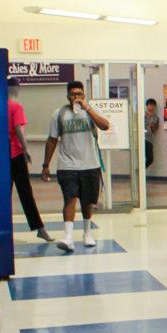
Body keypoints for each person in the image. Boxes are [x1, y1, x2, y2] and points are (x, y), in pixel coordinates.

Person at [42, 80, 111, 252]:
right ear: (67, 96)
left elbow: (105, 125)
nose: (76, 97)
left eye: (79, 94)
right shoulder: (59, 114)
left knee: (87, 201)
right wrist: (45, 165)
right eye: (73, 94)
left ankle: (87, 233)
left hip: (90, 164)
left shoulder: (91, 113)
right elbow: (52, 140)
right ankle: (68, 237)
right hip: (67, 165)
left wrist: (87, 108)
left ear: (84, 95)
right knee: (70, 199)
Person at [7, 77, 52, 242]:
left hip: (4, 155)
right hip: (16, 154)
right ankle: (39, 227)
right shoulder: (16, 107)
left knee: (5, 193)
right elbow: (18, 128)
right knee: (25, 192)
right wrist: (26, 149)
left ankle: (4, 226)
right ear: (16, 89)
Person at [144, 98, 159, 169]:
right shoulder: (141, 115)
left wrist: (152, 125)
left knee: (150, 159)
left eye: (153, 105)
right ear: (146, 106)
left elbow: (154, 130)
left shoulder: (156, 117)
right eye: (150, 105)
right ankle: (139, 174)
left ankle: (140, 171)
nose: (151, 107)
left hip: (149, 140)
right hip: (140, 139)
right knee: (139, 158)